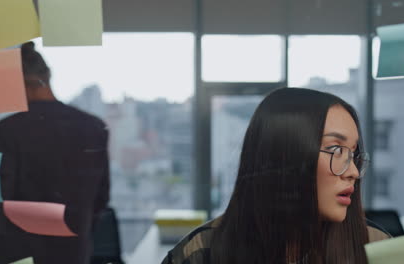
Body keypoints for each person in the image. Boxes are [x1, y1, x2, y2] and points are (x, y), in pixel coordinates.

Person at [162, 88, 390, 264]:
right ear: (284, 157)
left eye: (354, 154)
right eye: (335, 150)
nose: (352, 172)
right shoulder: (201, 253)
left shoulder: (378, 249)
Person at [0, 41, 110, 264]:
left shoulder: (10, 129)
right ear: (48, 76)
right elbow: (101, 198)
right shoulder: (94, 127)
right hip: (73, 254)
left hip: (19, 254)